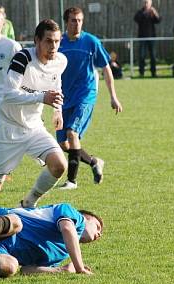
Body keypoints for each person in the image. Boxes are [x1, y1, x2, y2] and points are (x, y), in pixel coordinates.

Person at [0, 19, 67, 222]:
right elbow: (9, 94)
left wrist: (57, 111)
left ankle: (28, 203)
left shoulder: (61, 60)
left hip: (34, 127)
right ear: (37, 40)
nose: (53, 46)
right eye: (48, 41)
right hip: (6, 129)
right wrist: (42, 97)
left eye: (56, 41)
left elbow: (57, 85)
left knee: (59, 165)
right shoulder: (23, 57)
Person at [56, 7, 123, 190]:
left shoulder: (91, 42)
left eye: (79, 20)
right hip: (64, 97)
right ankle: (94, 161)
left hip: (85, 94)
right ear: (66, 22)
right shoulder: (58, 43)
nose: (76, 24)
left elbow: (106, 69)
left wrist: (113, 97)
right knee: (64, 143)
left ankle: (71, 181)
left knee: (72, 133)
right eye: (72, 20)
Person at [134, 0, 161, 77]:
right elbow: (136, 19)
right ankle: (141, 73)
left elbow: (158, 20)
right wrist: (144, 13)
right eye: (145, 2)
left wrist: (155, 13)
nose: (146, 4)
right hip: (142, 37)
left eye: (147, 2)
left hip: (151, 37)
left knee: (153, 56)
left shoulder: (152, 12)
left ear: (150, 3)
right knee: (142, 56)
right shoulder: (140, 12)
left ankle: (153, 72)